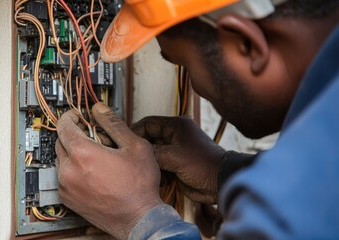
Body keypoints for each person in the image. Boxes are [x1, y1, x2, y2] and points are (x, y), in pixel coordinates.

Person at [55, 0, 339, 239]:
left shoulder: (288, 210)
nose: (193, 86)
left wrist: (140, 218)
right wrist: (225, 173)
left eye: (185, 64)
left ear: (247, 45)